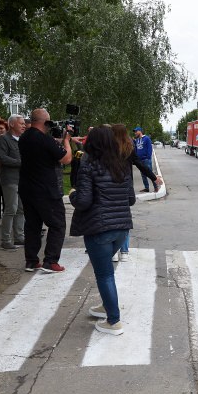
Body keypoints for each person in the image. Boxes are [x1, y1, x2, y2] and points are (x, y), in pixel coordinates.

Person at [70, 126, 136, 336]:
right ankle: (107, 306)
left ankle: (114, 321)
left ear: (92, 143)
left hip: (99, 229)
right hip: (121, 230)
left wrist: (72, 194)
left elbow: (83, 201)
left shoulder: (89, 167)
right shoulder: (123, 166)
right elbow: (131, 199)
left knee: (104, 274)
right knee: (107, 272)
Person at [18, 109, 72, 273]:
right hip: (46, 190)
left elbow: (44, 149)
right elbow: (66, 158)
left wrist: (59, 140)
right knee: (57, 224)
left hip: (27, 188)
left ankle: (31, 261)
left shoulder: (24, 137)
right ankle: (51, 261)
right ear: (44, 122)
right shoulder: (44, 139)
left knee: (32, 225)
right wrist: (67, 141)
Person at [112, 124, 162, 261]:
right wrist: (154, 177)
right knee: (124, 219)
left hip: (110, 188)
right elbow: (140, 164)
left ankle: (114, 252)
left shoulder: (107, 150)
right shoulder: (128, 149)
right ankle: (124, 252)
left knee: (112, 219)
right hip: (125, 187)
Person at [0, 115, 26, 251]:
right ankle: (5, 240)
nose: (24, 125)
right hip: (10, 179)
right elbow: (2, 158)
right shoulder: (3, 139)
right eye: (21, 123)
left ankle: (19, 237)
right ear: (12, 124)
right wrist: (22, 163)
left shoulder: (23, 139)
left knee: (21, 209)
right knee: (11, 209)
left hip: (22, 179)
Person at [133, 126, 155, 192]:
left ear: (140, 131)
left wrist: (148, 157)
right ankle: (146, 188)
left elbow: (149, 148)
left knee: (150, 173)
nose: (135, 133)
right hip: (140, 160)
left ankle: (155, 187)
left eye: (136, 131)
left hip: (146, 160)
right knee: (143, 175)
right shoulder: (137, 140)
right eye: (135, 132)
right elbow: (136, 149)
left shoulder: (146, 138)